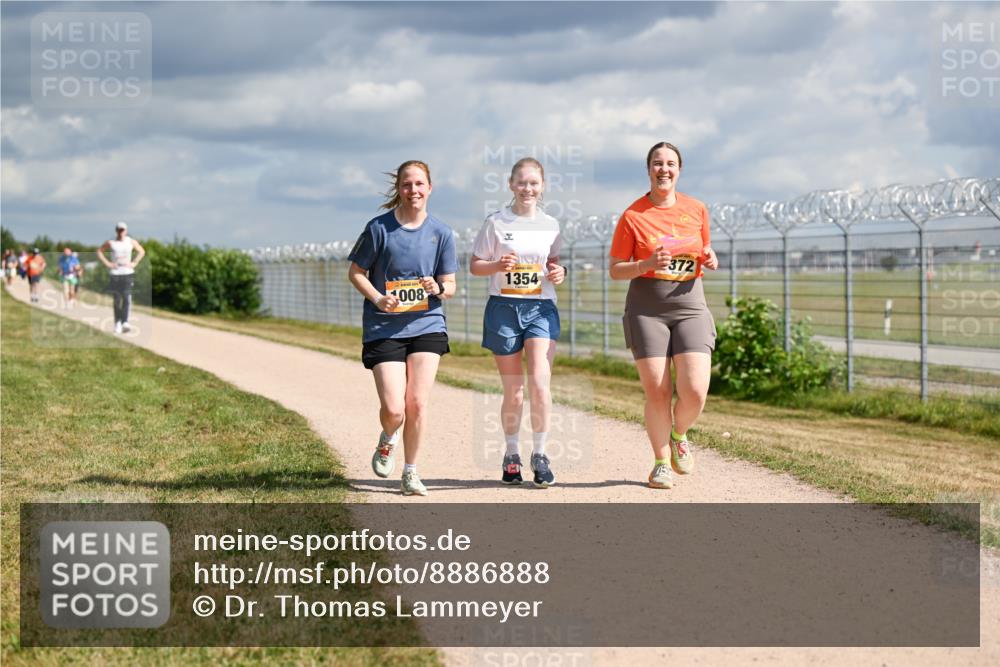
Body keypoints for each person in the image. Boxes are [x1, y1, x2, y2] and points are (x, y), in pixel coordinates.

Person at [608, 142, 719, 489]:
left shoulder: (697, 209)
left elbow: (701, 250)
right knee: (658, 390)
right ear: (649, 170)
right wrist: (646, 265)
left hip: (690, 306)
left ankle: (679, 433)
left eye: (670, 163)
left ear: (679, 169)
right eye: (657, 163)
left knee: (696, 389)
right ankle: (660, 463)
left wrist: (710, 256)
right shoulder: (633, 216)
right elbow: (615, 270)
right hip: (647, 310)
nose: (664, 169)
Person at [347, 160, 458, 496]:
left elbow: (450, 285)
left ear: (430, 188)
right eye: (408, 185)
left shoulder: (442, 233)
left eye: (420, 184)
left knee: (418, 404)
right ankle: (388, 437)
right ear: (399, 188)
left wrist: (436, 288)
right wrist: (379, 299)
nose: (414, 191)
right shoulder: (379, 229)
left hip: (427, 323)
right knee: (395, 409)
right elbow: (355, 273)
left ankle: (410, 472)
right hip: (385, 327)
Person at [470, 157, 566, 487]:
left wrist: (559, 272)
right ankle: (512, 454)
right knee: (514, 391)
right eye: (522, 182)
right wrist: (497, 265)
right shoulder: (496, 222)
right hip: (504, 308)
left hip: (540, 308)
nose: (528, 189)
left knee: (540, 382)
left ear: (543, 187)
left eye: (534, 183)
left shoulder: (551, 224)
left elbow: (554, 263)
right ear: (511, 185)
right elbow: (475, 265)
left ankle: (540, 454)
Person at [97, 222, 145, 334]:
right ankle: (117, 322)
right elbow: (99, 251)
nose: (121, 232)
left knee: (126, 297)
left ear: (126, 231)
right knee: (117, 299)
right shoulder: (112, 243)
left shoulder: (130, 241)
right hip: (115, 273)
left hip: (127, 272)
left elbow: (141, 251)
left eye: (123, 230)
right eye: (119, 230)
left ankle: (125, 322)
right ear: (116, 231)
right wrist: (107, 263)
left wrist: (135, 262)